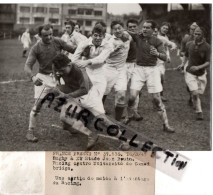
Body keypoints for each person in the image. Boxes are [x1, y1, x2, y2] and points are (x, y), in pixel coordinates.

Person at [24, 24, 76, 142]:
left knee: (68, 101)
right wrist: (32, 77)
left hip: (59, 76)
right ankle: (30, 131)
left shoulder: (58, 41)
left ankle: (66, 124)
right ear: (40, 35)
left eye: (51, 34)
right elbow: (27, 66)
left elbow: (73, 49)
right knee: (38, 106)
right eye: (45, 35)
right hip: (43, 78)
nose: (49, 37)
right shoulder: (36, 48)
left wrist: (85, 45)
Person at [126, 20, 174, 132]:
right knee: (132, 97)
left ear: (153, 30)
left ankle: (165, 125)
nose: (144, 29)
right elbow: (126, 31)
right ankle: (129, 116)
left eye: (147, 27)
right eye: (143, 27)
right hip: (138, 69)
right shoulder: (138, 37)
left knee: (157, 100)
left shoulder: (157, 41)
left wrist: (157, 54)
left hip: (152, 70)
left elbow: (165, 57)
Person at [52, 53, 99, 149]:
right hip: (73, 91)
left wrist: (67, 96)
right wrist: (57, 80)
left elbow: (85, 89)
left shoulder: (79, 70)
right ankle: (72, 124)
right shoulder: (57, 65)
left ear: (69, 65)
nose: (59, 72)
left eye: (62, 71)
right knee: (64, 120)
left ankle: (91, 134)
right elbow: (55, 69)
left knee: (103, 120)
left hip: (88, 94)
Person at [72, 24, 115, 114]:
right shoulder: (84, 43)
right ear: (91, 35)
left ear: (104, 36)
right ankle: (79, 116)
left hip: (100, 72)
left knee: (97, 98)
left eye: (100, 36)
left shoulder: (108, 46)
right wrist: (80, 63)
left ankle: (93, 117)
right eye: (95, 35)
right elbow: (74, 59)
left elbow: (101, 59)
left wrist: (87, 61)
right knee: (84, 97)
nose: (98, 38)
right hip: (86, 71)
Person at [179, 27, 210, 120]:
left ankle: (192, 95)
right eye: (195, 33)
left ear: (203, 35)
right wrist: (182, 64)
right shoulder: (189, 44)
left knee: (199, 92)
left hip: (201, 74)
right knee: (195, 93)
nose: (196, 35)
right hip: (190, 72)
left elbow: (208, 62)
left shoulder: (207, 47)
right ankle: (199, 112)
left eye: (198, 34)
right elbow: (186, 56)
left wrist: (198, 67)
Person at [102, 21, 131, 121]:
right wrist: (114, 50)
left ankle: (117, 122)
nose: (118, 30)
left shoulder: (127, 36)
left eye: (119, 28)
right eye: (115, 29)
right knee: (102, 94)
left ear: (123, 28)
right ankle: (97, 115)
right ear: (112, 30)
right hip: (109, 69)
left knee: (121, 95)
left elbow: (134, 34)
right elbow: (103, 57)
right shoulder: (109, 41)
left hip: (122, 69)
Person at [123, 18, 143, 121]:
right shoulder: (126, 36)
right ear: (127, 28)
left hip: (136, 64)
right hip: (124, 65)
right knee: (122, 89)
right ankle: (123, 112)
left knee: (136, 89)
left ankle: (134, 111)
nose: (132, 28)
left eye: (134, 26)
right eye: (130, 27)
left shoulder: (141, 36)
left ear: (137, 27)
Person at [154, 23, 177, 102]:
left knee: (161, 78)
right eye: (164, 28)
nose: (165, 30)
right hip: (152, 60)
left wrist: (168, 56)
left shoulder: (165, 38)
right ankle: (157, 96)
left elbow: (168, 46)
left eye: (167, 29)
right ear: (160, 27)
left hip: (160, 60)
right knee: (156, 78)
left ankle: (160, 95)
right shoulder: (154, 36)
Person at [178, 22, 199, 106]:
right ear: (189, 29)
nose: (193, 31)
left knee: (198, 83)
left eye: (195, 29)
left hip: (199, 63)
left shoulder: (202, 39)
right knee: (189, 83)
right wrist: (184, 55)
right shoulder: (186, 38)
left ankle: (195, 97)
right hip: (188, 62)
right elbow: (181, 52)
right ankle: (191, 96)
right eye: (191, 29)